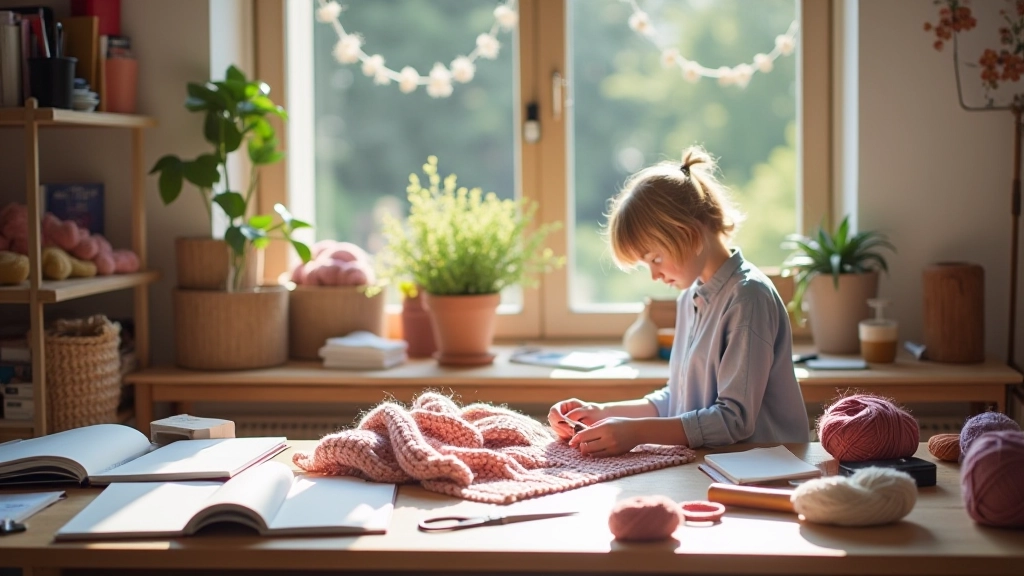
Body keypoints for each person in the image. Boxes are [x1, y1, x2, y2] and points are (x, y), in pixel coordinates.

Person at [548, 146, 809, 457]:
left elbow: (734, 420)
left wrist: (637, 432)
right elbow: (680, 399)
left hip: (763, 470)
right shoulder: (690, 298)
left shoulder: (748, 297)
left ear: (690, 233)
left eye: (656, 258)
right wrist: (602, 412)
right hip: (712, 464)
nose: (655, 275)